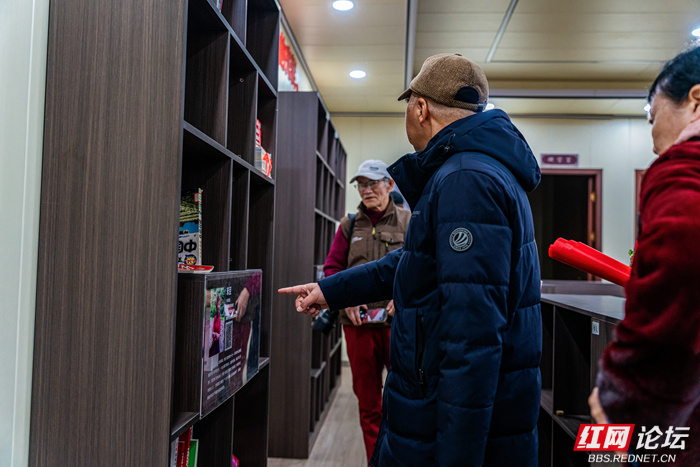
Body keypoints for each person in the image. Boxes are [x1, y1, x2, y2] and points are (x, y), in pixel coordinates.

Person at [280, 53, 542, 466]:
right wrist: (330, 289)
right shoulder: (474, 170)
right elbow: (415, 261)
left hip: (442, 422)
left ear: (420, 108)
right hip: (443, 409)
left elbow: (471, 338)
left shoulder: (465, 180)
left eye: (408, 104)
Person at [589, 45, 700, 466]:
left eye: (653, 118)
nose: (654, 143)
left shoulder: (685, 168)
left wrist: (622, 395)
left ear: (695, 100)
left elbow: (680, 267)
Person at [323, 159, 410, 462]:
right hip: (358, 328)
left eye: (373, 183)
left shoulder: (409, 221)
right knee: (368, 404)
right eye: (361, 185)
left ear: (390, 184)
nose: (367, 190)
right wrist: (346, 299)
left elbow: (422, 268)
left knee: (404, 401)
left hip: (398, 327)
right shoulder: (349, 225)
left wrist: (404, 296)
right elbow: (332, 269)